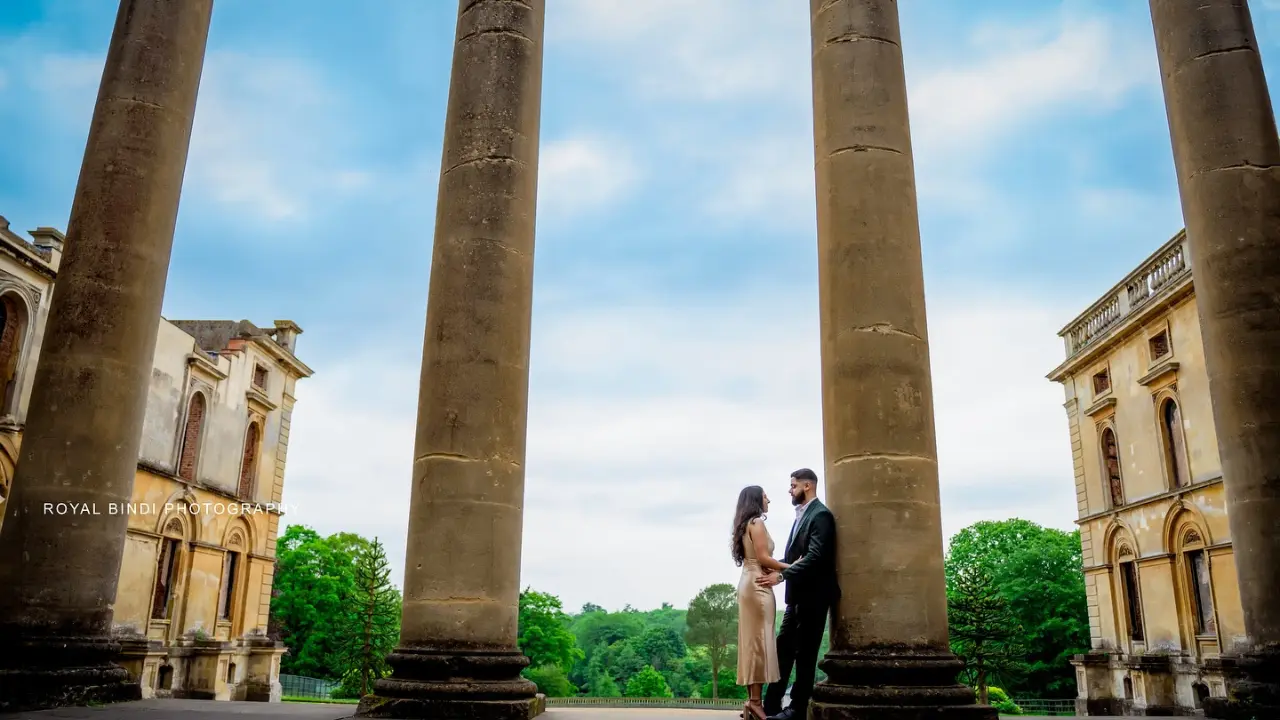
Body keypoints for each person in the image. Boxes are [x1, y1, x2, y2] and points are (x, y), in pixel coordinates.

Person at [755, 468, 838, 720]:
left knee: (805, 655)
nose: (790, 490)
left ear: (807, 486)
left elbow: (815, 557)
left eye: (793, 486)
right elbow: (794, 558)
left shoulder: (821, 515)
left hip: (814, 596)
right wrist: (775, 564)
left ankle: (797, 710)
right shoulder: (801, 515)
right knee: (783, 651)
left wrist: (780, 575)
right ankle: (770, 707)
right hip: (796, 598)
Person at [732, 486, 790, 720]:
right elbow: (764, 558)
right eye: (765, 496)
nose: (769, 500)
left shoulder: (745, 525)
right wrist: (795, 567)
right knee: (758, 642)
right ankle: (756, 702)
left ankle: (752, 700)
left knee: (751, 641)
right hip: (759, 586)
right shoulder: (757, 523)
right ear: (756, 500)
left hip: (749, 582)